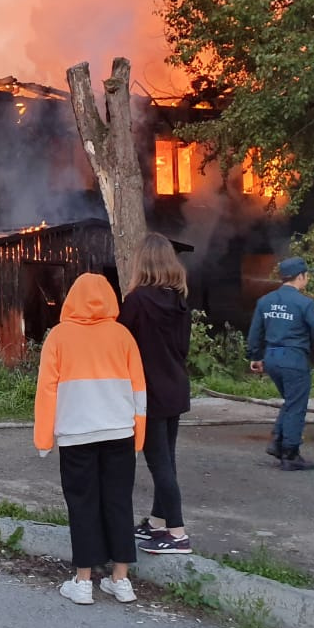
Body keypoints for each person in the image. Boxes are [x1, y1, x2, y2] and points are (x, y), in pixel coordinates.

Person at [34, 272, 147, 605]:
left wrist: (44, 439)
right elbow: (139, 391)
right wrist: (138, 437)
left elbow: (46, 391)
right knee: (118, 502)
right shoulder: (123, 336)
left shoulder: (58, 336)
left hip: (75, 435)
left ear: (71, 299)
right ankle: (121, 580)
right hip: (119, 434)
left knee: (82, 504)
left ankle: (83, 583)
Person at [118, 233, 193, 556]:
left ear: (142, 262)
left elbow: (121, 342)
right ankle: (158, 521)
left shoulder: (136, 301)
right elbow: (184, 348)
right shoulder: (180, 300)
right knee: (167, 459)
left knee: (158, 462)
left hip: (149, 390)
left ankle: (177, 533)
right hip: (176, 385)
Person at [246, 256, 314, 471]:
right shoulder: (305, 303)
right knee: (296, 405)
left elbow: (255, 333)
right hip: (293, 359)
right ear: (301, 276)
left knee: (291, 401)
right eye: (306, 275)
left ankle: (277, 443)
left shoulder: (265, 301)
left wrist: (255, 357)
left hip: (271, 358)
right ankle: (290, 454)